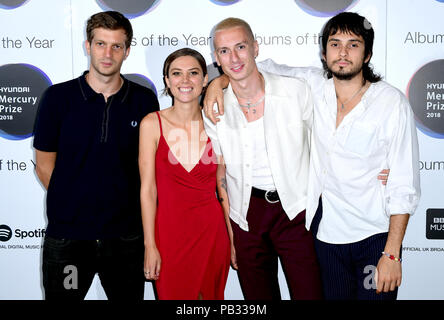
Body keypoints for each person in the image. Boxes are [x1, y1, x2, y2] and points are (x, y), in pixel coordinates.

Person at [204, 12, 420, 300]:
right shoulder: (313, 85)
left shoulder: (391, 103)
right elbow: (250, 68)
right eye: (335, 43)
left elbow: (404, 183)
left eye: (353, 45)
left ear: (367, 54)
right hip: (326, 237)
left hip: (375, 236)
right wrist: (215, 86)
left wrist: (392, 254)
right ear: (323, 51)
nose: (342, 52)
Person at [33, 11, 159, 300]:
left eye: (116, 46)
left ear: (127, 51)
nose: (107, 53)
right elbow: (43, 165)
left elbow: (148, 169)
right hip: (69, 240)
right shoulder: (57, 98)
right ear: (87, 46)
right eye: (100, 44)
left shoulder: (143, 100)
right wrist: (74, 201)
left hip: (126, 239)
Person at [202, 17, 323, 300]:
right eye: (223, 51)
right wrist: (233, 231)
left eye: (241, 46)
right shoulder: (215, 107)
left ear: (256, 48)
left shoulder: (296, 91)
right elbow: (221, 174)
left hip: (295, 211)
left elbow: (324, 146)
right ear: (216, 58)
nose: (233, 58)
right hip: (246, 215)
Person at [139, 48, 230, 300]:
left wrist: (233, 240)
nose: (185, 80)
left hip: (212, 233)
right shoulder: (151, 124)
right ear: (167, 81)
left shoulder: (217, 123)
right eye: (176, 74)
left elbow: (224, 188)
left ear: (204, 80)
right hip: (168, 236)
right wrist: (150, 245)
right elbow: (147, 190)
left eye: (193, 73)